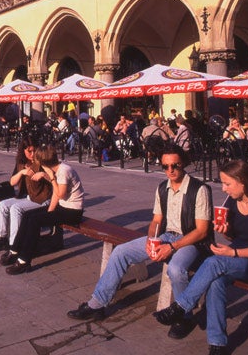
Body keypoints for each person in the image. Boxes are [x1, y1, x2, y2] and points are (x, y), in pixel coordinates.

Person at [67, 144, 212, 340]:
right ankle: (97, 304)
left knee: (176, 270)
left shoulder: (198, 189)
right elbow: (156, 221)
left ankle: (183, 316)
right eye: (165, 166)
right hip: (166, 236)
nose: (170, 170)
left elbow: (202, 231)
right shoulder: (163, 188)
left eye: (175, 166)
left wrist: (172, 247)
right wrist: (152, 239)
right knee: (121, 252)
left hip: (190, 242)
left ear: (183, 163)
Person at [153, 159, 248, 355]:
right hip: (241, 259)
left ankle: (181, 306)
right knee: (215, 281)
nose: (223, 189)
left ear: (242, 181)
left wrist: (232, 252)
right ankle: (218, 344)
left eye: (227, 184)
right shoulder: (233, 202)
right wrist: (226, 231)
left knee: (214, 262)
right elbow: (237, 238)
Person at [4, 144, 85, 274]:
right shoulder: (58, 169)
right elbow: (55, 195)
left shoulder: (64, 171)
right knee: (28, 216)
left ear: (44, 163)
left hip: (73, 212)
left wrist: (50, 177)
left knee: (35, 221)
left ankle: (24, 261)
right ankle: (14, 250)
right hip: (63, 207)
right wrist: (50, 211)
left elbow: (61, 194)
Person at [0, 137, 52, 253]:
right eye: (29, 151)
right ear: (23, 151)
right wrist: (22, 172)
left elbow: (54, 180)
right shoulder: (21, 163)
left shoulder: (42, 161)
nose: (32, 154)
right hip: (26, 197)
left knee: (16, 209)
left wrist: (43, 175)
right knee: (2, 205)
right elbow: (12, 182)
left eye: (34, 151)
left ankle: (15, 245)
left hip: (40, 198)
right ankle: (2, 238)